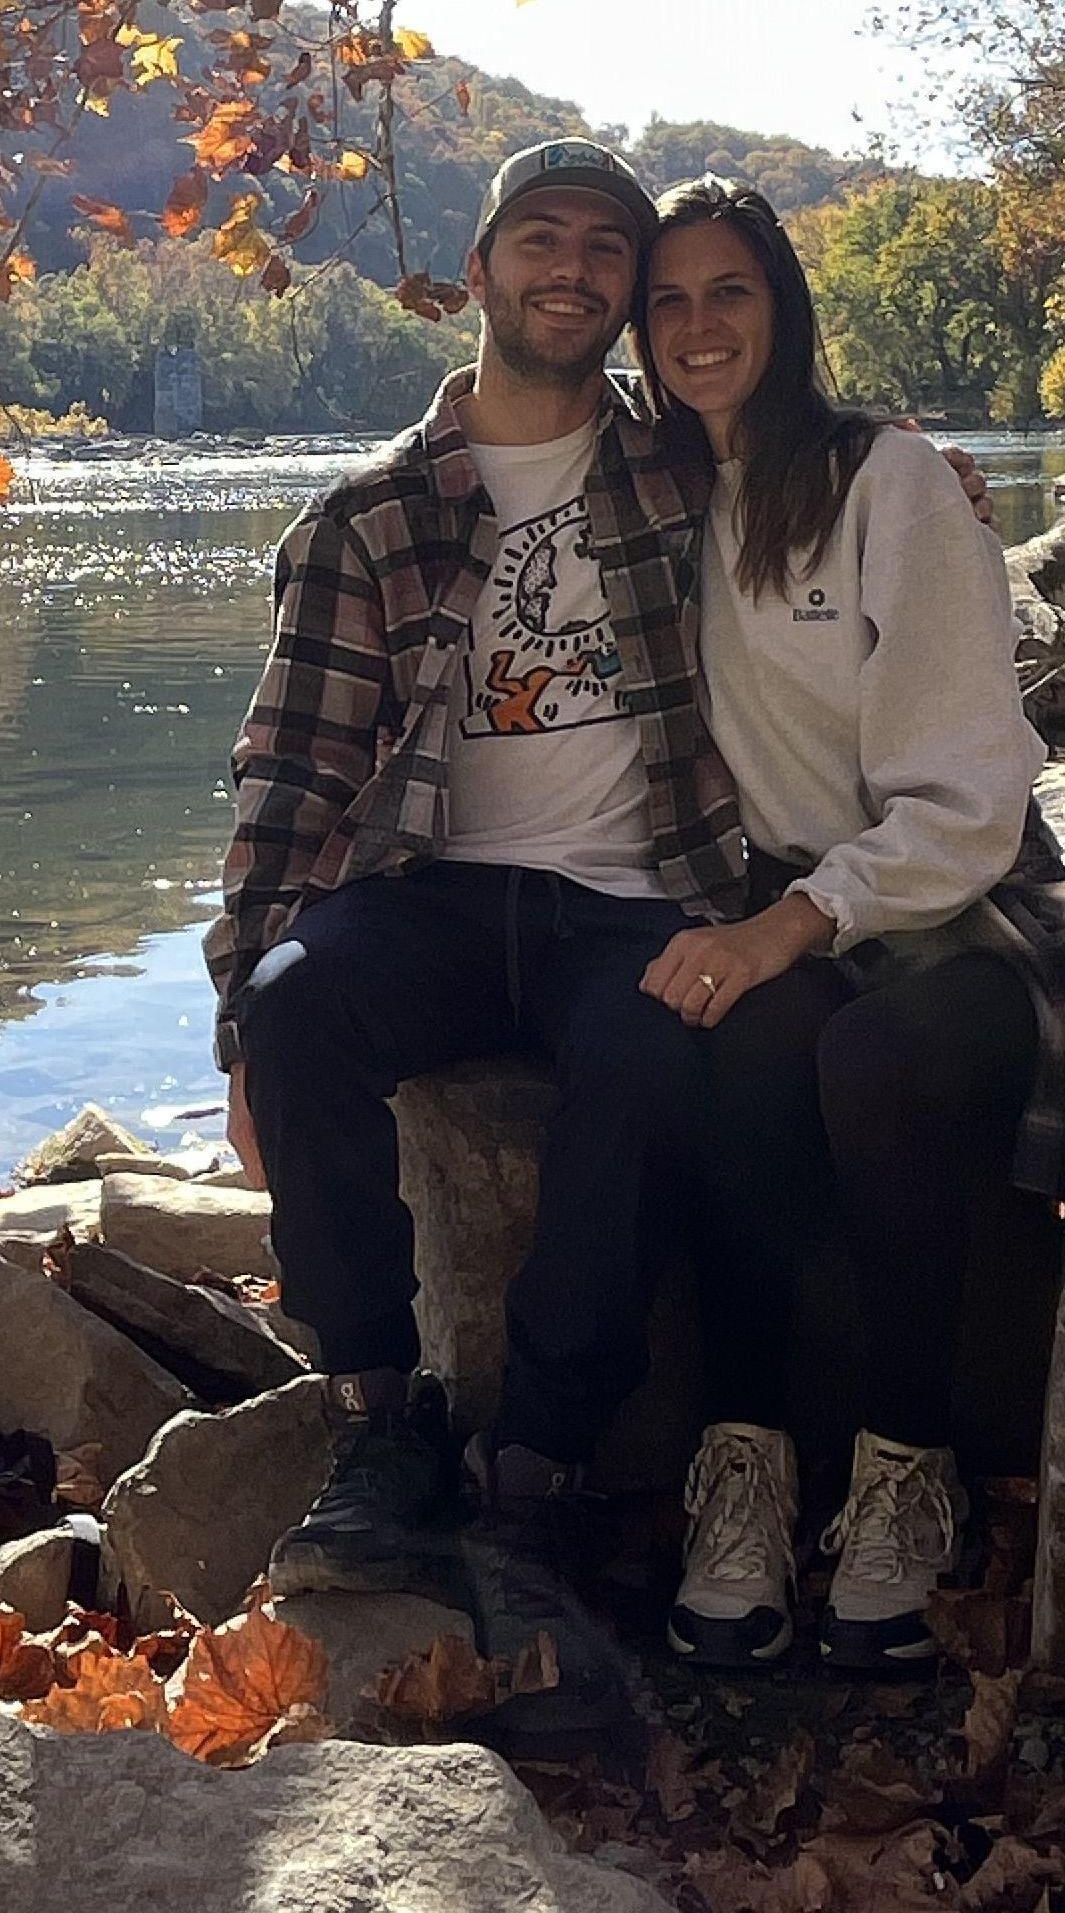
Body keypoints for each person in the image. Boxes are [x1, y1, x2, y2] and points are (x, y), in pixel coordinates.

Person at [208, 136, 749, 1734]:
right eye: (541, 238)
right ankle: (380, 1410)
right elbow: (294, 770)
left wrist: (923, 481)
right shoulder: (367, 517)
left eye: (603, 248)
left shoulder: (690, 474)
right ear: (482, 265)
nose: (570, 268)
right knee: (305, 1005)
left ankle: (538, 1459)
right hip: (430, 892)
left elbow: (833, 521)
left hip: (631, 893)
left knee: (649, 1050)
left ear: (626, 295)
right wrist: (239, 1005)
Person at [627, 177, 1065, 1675]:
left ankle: (907, 1470)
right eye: (670, 300)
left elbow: (969, 799)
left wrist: (793, 919)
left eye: (730, 292)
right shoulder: (652, 501)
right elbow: (495, 422)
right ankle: (745, 1466)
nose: (699, 327)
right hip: (795, 900)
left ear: (784, 308)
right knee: (724, 1044)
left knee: (880, 1060)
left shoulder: (887, 482)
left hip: (960, 904)